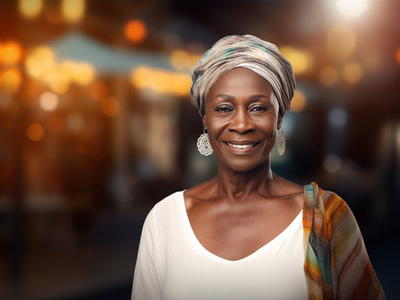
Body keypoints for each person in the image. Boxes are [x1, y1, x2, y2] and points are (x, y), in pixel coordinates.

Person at [131, 35, 384, 300]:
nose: (241, 124)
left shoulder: (326, 218)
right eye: (224, 108)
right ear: (205, 118)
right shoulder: (164, 221)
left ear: (279, 118)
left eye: (258, 107)